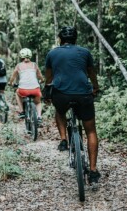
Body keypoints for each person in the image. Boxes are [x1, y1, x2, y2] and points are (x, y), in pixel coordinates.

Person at [44, 26, 101, 185]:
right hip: (84, 95)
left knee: (60, 112)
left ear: (60, 39)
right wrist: (95, 87)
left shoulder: (52, 53)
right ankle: (94, 170)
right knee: (91, 131)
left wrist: (46, 93)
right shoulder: (85, 52)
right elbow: (91, 73)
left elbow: (48, 78)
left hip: (61, 95)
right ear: (76, 39)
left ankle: (63, 139)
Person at [9, 48, 44, 120]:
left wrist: (10, 83)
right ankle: (39, 117)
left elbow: (13, 77)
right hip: (35, 90)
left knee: (17, 93)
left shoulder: (18, 66)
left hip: (23, 90)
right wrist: (42, 81)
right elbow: (40, 76)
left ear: (21, 56)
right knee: (38, 102)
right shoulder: (34, 65)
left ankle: (22, 111)